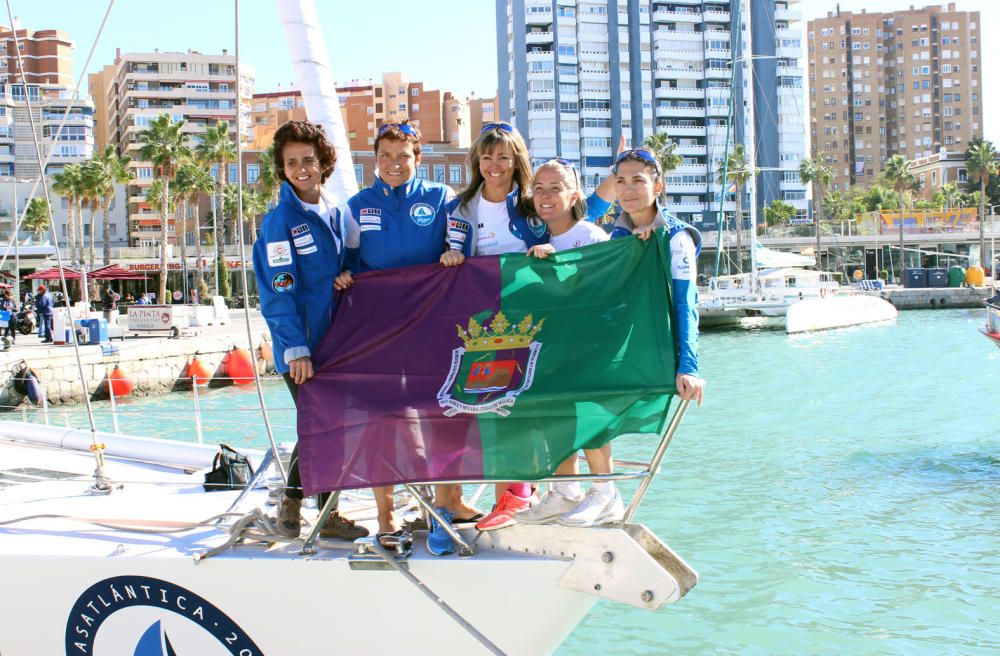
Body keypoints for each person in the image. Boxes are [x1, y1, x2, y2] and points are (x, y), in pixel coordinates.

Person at [445, 123, 620, 534]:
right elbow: (560, 207)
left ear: (516, 161)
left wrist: (615, 188)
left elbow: (573, 217)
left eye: (504, 156)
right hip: (494, 330)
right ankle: (537, 495)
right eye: (487, 156)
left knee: (570, 410)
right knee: (514, 412)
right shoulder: (461, 209)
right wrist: (452, 257)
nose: (494, 165)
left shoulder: (529, 207)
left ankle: (591, 491)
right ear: (476, 161)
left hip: (549, 329)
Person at [520, 149, 706, 528]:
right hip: (606, 337)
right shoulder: (618, 233)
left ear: (658, 185)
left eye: (638, 180)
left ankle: (603, 493)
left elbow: (686, 302)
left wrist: (689, 364)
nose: (628, 188)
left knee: (589, 408)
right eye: (620, 180)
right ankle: (568, 490)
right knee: (557, 405)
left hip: (648, 344)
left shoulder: (675, 237)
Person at [336, 119, 467, 553]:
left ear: (418, 159)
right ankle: (386, 517)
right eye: (386, 156)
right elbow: (348, 262)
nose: (394, 164)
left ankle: (440, 509)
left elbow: (462, 247)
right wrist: (342, 277)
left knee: (439, 418)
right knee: (382, 423)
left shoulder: (443, 198)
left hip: (433, 328)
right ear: (375, 159)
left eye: (403, 156)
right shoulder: (357, 206)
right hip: (379, 333)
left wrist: (454, 254)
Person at [253, 119, 368, 541]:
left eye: (308, 160)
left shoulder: (337, 213)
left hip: (336, 342)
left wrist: (345, 275)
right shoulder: (279, 223)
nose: (301, 168)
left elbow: (351, 263)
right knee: (322, 425)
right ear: (282, 169)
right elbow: (277, 291)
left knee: (331, 426)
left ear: (323, 164)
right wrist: (295, 348)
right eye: (291, 162)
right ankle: (294, 505)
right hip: (301, 346)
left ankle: (324, 511)